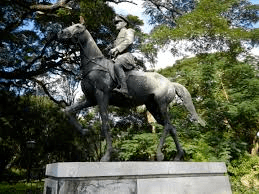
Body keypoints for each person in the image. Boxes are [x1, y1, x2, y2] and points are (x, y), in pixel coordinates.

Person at [109, 15, 136, 95]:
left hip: (126, 56)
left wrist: (116, 49)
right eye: (115, 23)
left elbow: (129, 41)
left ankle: (124, 88)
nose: (116, 24)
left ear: (124, 23)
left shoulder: (129, 31)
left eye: (118, 22)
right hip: (117, 57)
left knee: (117, 65)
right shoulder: (117, 36)